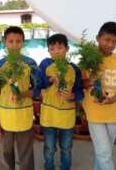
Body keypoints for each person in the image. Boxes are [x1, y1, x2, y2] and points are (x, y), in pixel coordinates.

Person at [0, 26, 41, 170]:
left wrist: (22, 94)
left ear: (23, 42)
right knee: (5, 155)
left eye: (18, 41)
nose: (14, 45)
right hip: (5, 117)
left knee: (26, 155)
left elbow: (37, 91)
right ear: (5, 42)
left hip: (24, 116)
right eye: (11, 41)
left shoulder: (30, 63)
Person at [82, 22, 116, 170]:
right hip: (94, 112)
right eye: (107, 40)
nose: (110, 44)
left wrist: (113, 99)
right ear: (98, 38)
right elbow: (81, 85)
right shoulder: (88, 58)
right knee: (104, 153)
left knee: (104, 152)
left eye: (114, 42)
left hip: (114, 113)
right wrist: (90, 80)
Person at [39, 33, 83, 170]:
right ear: (48, 51)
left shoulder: (74, 69)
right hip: (49, 116)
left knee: (66, 148)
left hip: (66, 117)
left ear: (67, 49)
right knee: (49, 148)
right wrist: (50, 80)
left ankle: (65, 167)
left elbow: (80, 92)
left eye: (60, 47)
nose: (56, 51)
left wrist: (72, 96)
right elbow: (37, 85)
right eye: (52, 48)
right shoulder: (45, 64)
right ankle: (49, 167)